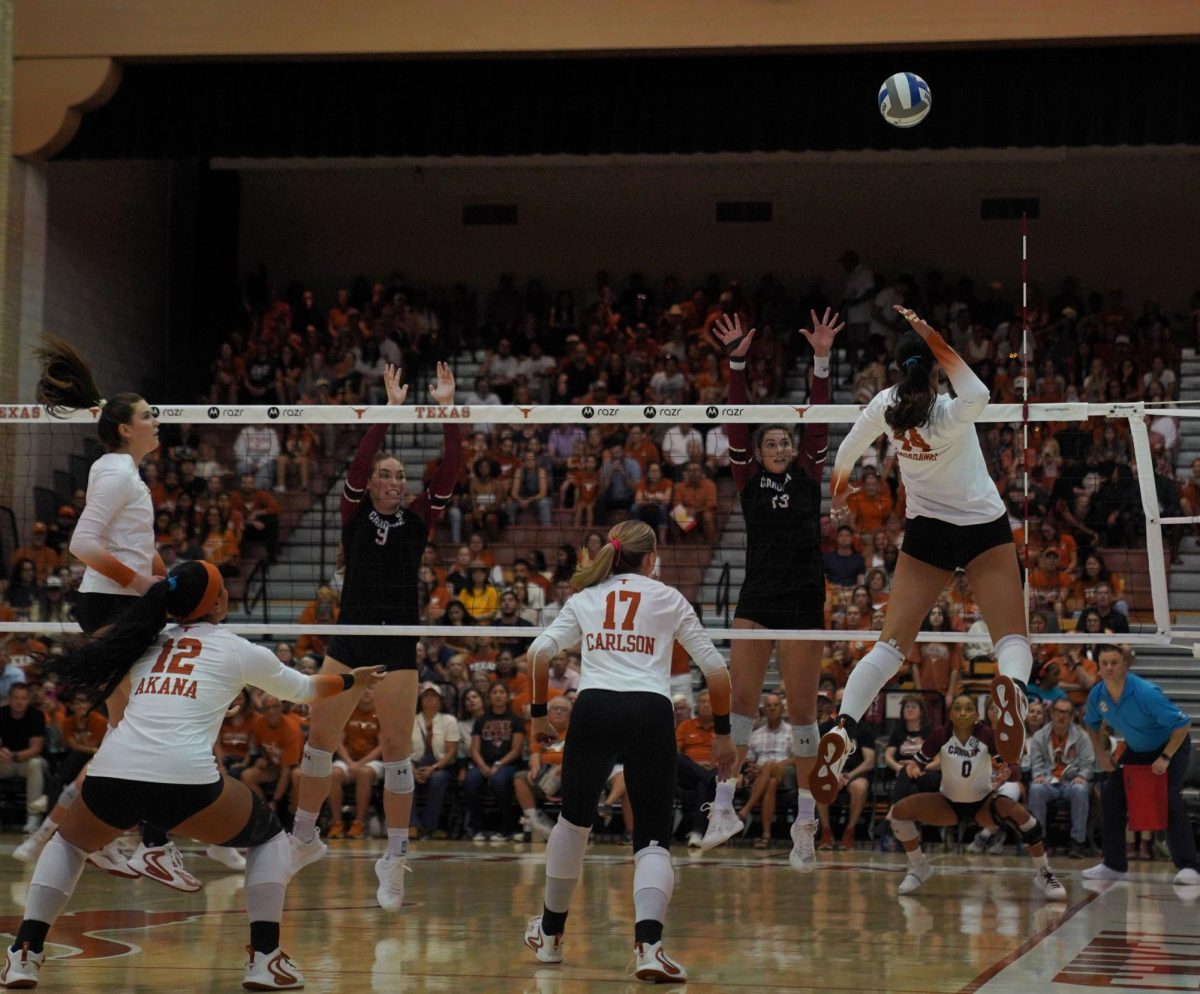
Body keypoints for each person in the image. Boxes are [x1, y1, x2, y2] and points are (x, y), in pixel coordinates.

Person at [0, 560, 384, 990]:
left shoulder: (144, 640)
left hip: (113, 771)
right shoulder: (238, 648)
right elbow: (307, 690)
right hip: (182, 779)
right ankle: (264, 958)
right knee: (271, 838)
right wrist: (353, 679)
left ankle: (24, 954)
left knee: (68, 844)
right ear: (218, 602)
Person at [814, 306, 1033, 805]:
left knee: (889, 648)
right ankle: (1013, 693)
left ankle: (845, 726)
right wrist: (934, 336)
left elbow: (845, 454)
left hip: (927, 533)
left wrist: (839, 495)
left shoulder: (885, 407)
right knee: (1012, 638)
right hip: (981, 529)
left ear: (895, 370)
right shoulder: (949, 409)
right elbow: (978, 391)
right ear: (934, 365)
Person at [521, 521, 735, 983]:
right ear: (651, 557)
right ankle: (649, 948)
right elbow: (717, 670)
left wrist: (539, 715)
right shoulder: (669, 598)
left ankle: (551, 936)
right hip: (650, 711)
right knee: (653, 835)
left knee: (573, 822)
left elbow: (538, 654)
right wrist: (723, 733)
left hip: (594, 707)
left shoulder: (586, 598)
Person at [288, 362, 460, 913]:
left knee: (396, 752)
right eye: (386, 475)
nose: (392, 480)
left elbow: (452, 467)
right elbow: (360, 461)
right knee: (318, 745)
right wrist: (387, 411)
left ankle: (394, 858)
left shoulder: (418, 520)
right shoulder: (352, 513)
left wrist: (448, 408)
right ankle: (303, 838)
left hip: (396, 645)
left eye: (398, 477)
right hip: (348, 639)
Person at [33, 335, 200, 888]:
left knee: (132, 728)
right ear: (126, 427)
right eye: (149, 416)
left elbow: (135, 541)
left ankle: (95, 837)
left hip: (125, 603)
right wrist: (143, 583)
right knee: (140, 728)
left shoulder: (127, 473)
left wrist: (163, 580)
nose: (157, 422)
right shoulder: (114, 472)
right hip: (110, 603)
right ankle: (148, 843)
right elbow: (83, 542)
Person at [702, 309, 841, 872]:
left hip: (804, 597)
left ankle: (804, 822)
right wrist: (736, 361)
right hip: (757, 599)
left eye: (788, 440)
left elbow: (821, 422)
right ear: (757, 453)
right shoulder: (747, 479)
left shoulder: (809, 473)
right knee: (739, 704)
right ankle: (722, 807)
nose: (782, 446)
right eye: (773, 442)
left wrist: (822, 361)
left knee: (805, 714)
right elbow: (736, 423)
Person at [887, 695, 1066, 901]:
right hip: (948, 802)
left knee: (1023, 816)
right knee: (899, 811)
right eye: (958, 708)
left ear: (977, 715)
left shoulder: (988, 735)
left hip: (983, 803)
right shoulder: (940, 735)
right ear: (951, 714)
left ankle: (1044, 872)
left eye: (968, 708)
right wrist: (912, 768)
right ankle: (919, 866)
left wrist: (1008, 771)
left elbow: (1014, 769)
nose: (963, 713)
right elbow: (918, 762)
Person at [1081, 645, 1200, 886]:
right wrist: (1102, 755)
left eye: (1114, 662)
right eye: (1104, 663)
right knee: (1111, 793)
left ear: (1125, 665)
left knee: (1168, 798)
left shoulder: (1146, 693)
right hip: (1137, 749)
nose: (1109, 668)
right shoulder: (1097, 695)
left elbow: (1182, 725)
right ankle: (1114, 865)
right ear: (1099, 667)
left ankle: (1190, 866)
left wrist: (1165, 757)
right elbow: (1091, 724)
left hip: (1171, 746)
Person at [1027, 699, 1094, 859]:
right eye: (1058, 712)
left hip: (1071, 781)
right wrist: (1038, 776)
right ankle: (1040, 840)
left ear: (1072, 717)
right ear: (1052, 713)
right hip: (1049, 782)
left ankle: (1077, 842)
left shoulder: (1082, 737)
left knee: (1080, 789)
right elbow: (1036, 763)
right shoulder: (1039, 736)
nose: (1062, 716)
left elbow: (1088, 764)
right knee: (1035, 789)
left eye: (1066, 713)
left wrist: (1082, 777)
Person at [465, 682, 525, 841]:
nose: (498, 695)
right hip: (484, 763)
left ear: (507, 696)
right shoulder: (481, 720)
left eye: (501, 692)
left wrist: (498, 765)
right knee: (471, 780)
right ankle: (477, 828)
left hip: (508, 764)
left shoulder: (516, 720)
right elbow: (474, 749)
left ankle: (506, 828)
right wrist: (483, 766)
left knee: (499, 781)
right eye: (494, 693)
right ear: (489, 697)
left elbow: (516, 750)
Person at [739, 693, 794, 849]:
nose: (772, 708)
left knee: (769, 766)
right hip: (762, 775)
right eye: (768, 705)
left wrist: (771, 766)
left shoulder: (792, 731)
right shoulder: (756, 734)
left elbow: (797, 758)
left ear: (782, 709)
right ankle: (766, 835)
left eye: (775, 705)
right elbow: (749, 759)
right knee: (771, 782)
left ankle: (745, 810)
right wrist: (754, 767)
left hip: (786, 771)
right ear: (764, 710)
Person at [327, 690, 382, 840]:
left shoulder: (381, 713)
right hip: (348, 759)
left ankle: (358, 823)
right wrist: (350, 763)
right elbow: (338, 742)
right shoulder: (348, 712)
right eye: (363, 688)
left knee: (364, 773)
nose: (366, 692)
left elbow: (382, 746)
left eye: (371, 688)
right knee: (334, 774)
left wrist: (359, 764)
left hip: (372, 761)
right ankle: (337, 822)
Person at [515, 695, 572, 839]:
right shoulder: (542, 729)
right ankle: (535, 821)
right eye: (555, 709)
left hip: (568, 774)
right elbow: (535, 753)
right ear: (549, 712)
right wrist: (534, 769)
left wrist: (563, 767)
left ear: (570, 714)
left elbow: (580, 756)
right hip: (544, 772)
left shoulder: (576, 730)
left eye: (563, 709)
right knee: (520, 777)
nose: (559, 712)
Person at [410, 682, 459, 839]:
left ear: (440, 700)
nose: (429, 699)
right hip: (415, 762)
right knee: (404, 776)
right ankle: (412, 824)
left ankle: (429, 825)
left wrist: (434, 768)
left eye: (433, 696)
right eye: (426, 696)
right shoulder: (411, 719)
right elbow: (403, 749)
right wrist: (411, 768)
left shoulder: (448, 720)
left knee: (437, 779)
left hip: (440, 764)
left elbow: (451, 752)